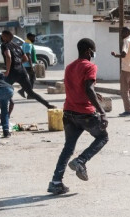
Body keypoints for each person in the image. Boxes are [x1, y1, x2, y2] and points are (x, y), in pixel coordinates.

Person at [48, 38, 108, 195]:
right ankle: (81, 160)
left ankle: (56, 182)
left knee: (68, 148)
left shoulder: (69, 67)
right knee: (103, 137)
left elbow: (78, 86)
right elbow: (88, 88)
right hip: (85, 114)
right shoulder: (90, 66)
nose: (93, 53)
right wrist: (101, 111)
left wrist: (94, 93)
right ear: (89, 51)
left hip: (68, 113)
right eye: (93, 50)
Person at [0, 30, 55, 112]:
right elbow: (25, 58)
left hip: (12, 72)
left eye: (3, 35)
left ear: (6, 36)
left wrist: (8, 70)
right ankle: (48, 105)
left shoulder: (4, 45)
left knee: (2, 91)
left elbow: (8, 56)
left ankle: (4, 113)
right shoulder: (17, 46)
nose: (2, 37)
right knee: (30, 92)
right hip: (21, 71)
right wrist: (18, 63)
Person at [19, 33, 37, 99]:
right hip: (28, 65)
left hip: (25, 64)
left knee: (30, 79)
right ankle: (28, 94)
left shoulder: (25, 43)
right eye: (33, 37)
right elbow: (28, 55)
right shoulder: (28, 45)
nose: (34, 39)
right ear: (29, 37)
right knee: (32, 79)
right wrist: (31, 66)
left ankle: (23, 90)